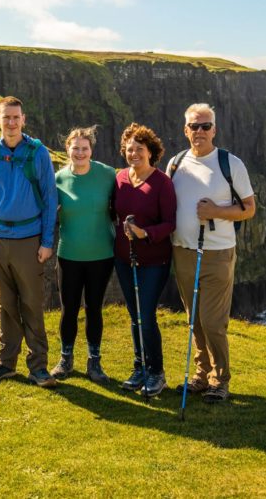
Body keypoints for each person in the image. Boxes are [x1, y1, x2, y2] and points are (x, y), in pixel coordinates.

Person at [168, 103, 256, 403]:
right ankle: (201, 376)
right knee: (195, 319)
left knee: (213, 321)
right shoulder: (176, 163)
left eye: (206, 126)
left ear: (214, 130)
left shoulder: (231, 164)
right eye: (195, 126)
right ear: (186, 130)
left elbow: (249, 208)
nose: (200, 131)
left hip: (217, 253)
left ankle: (221, 380)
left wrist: (216, 211)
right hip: (182, 251)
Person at [0, 96, 58, 387]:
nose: (11, 122)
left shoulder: (38, 153)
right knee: (4, 302)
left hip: (29, 239)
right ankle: (5, 363)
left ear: (24, 120)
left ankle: (38, 366)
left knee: (32, 303)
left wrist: (47, 242)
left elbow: (50, 198)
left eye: (16, 117)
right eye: (5, 117)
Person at [113, 122, 176, 397]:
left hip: (154, 261)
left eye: (140, 149)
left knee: (146, 315)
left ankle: (156, 372)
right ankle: (139, 367)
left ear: (151, 151)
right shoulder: (120, 178)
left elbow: (170, 223)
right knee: (134, 316)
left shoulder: (162, 183)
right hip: (124, 259)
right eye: (129, 149)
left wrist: (144, 233)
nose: (134, 153)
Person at [51, 126, 117, 383]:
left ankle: (95, 362)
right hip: (69, 254)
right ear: (67, 149)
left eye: (84, 148)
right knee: (68, 309)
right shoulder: (58, 178)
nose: (80, 152)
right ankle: (65, 359)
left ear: (92, 150)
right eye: (75, 148)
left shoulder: (107, 175)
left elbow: (123, 202)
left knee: (94, 309)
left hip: (101, 254)